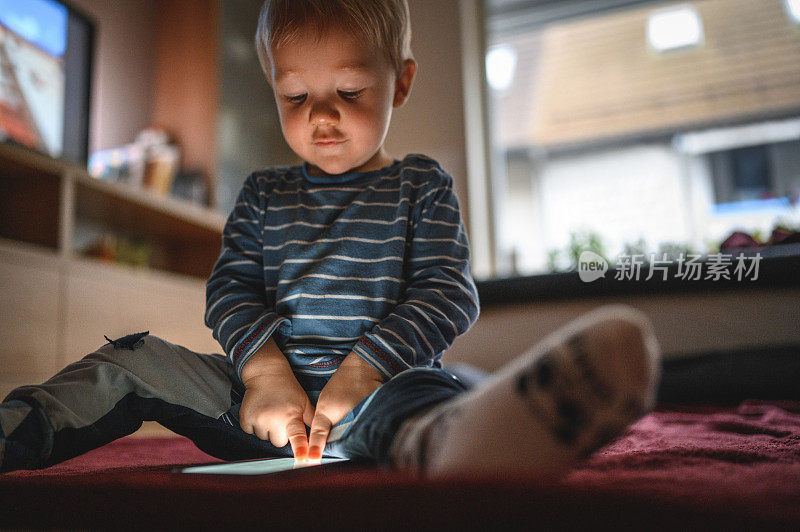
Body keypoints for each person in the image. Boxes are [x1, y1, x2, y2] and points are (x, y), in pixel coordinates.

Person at [0, 0, 660, 477]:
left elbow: (446, 293)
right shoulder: (262, 193)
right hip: (259, 405)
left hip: (382, 394)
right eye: (295, 96)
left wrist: (359, 374)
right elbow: (230, 290)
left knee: (443, 388)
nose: (320, 115)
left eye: (348, 89)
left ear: (400, 81)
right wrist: (263, 377)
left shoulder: (421, 186)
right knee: (133, 357)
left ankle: (465, 440)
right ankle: (17, 431)